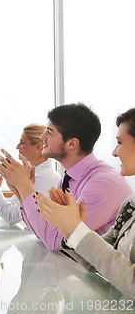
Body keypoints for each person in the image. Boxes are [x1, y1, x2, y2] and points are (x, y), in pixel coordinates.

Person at [0, 103, 132, 251]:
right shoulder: (68, 178)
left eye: (49, 132)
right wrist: (20, 194)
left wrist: (24, 186)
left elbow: (56, 241)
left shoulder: (103, 183)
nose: (43, 137)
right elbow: (43, 232)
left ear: (72, 143)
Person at [36, 108, 135, 300]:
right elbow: (104, 255)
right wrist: (71, 230)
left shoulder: (105, 182)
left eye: (120, 142)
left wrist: (76, 229)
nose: (114, 152)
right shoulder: (132, 202)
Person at [0, 123, 61, 225]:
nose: (17, 147)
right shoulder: (36, 174)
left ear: (38, 147)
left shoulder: (44, 178)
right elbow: (9, 208)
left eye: (22, 143)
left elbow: (11, 217)